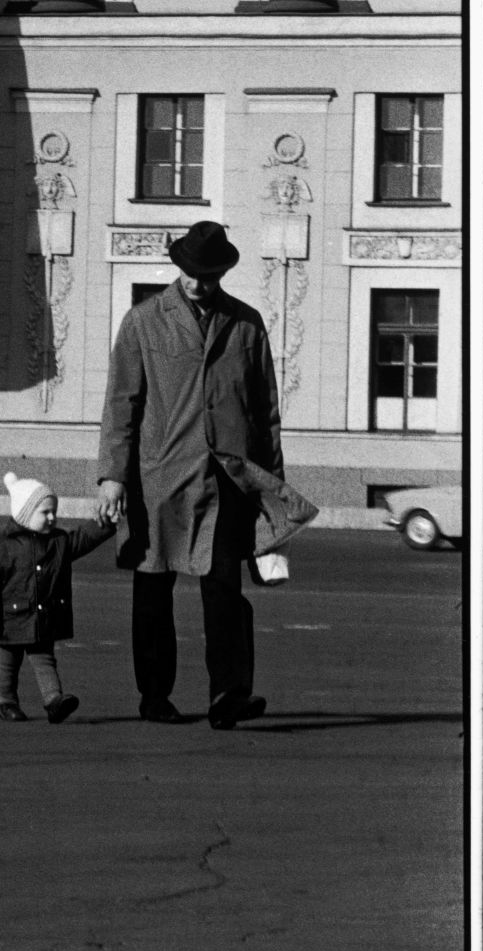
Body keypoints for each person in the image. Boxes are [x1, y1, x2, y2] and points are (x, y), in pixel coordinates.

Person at [95, 220, 317, 728]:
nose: (198, 283)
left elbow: (265, 414)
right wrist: (112, 475)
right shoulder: (144, 321)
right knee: (152, 594)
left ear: (222, 272)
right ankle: (155, 697)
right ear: (179, 267)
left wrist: (273, 490)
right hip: (158, 481)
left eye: (208, 274)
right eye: (191, 273)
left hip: (226, 483)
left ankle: (229, 696)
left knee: (224, 591)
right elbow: (120, 405)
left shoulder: (246, 324)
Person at [0, 471, 114, 723]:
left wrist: (105, 524)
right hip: (11, 618)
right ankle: (7, 703)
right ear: (25, 514)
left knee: (45, 659)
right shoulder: (1, 548)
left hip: (43, 616)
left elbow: (83, 539)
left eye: (53, 512)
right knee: (9, 662)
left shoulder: (58, 542)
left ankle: (53, 700)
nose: (52, 517)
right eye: (45, 512)